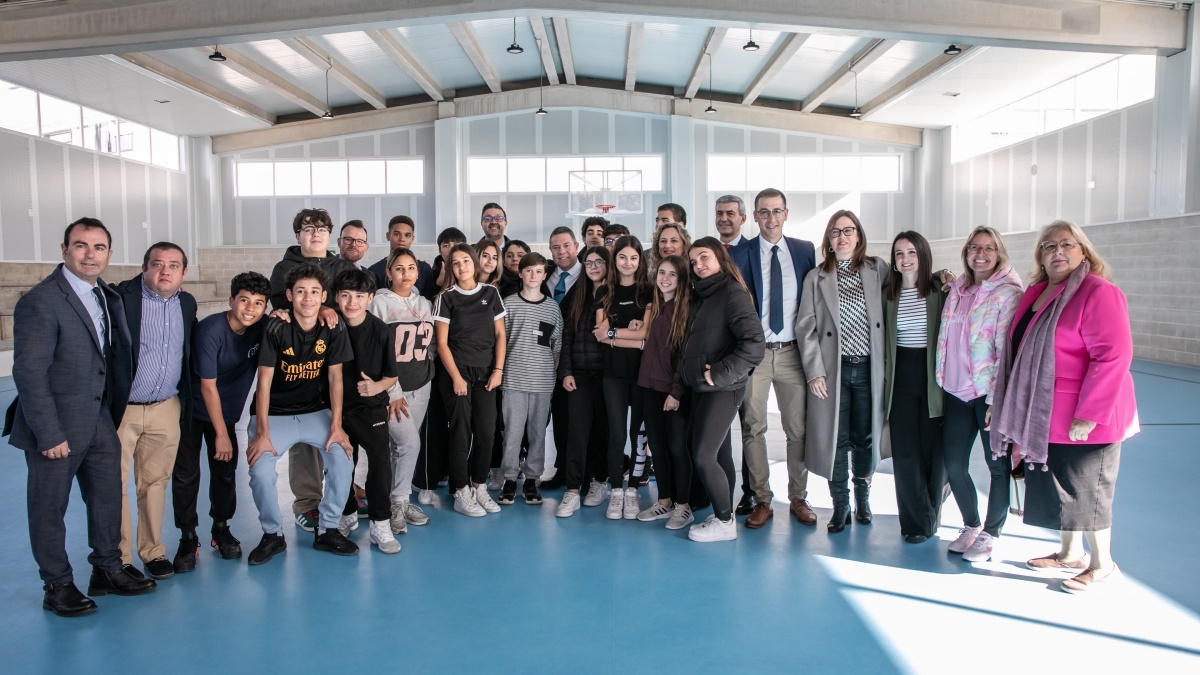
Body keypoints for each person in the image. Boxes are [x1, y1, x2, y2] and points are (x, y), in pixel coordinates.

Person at [5, 217, 154, 616]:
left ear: (109, 253)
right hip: (56, 426)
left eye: (98, 247)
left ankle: (107, 569)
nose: (90, 255)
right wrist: (49, 433)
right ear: (64, 250)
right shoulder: (41, 301)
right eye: (81, 246)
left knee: (106, 498)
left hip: (99, 419)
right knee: (48, 508)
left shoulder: (105, 294)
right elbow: (29, 373)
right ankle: (57, 584)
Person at [991, 220, 1138, 592]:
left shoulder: (1098, 292)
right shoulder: (1039, 293)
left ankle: (1103, 564)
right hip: (1047, 413)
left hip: (1088, 417)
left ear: (1083, 251)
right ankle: (1070, 553)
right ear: (1040, 255)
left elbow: (1113, 356)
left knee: (1089, 489)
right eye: (1049, 246)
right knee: (1063, 486)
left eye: (1067, 244)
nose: (1058, 251)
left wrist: (1089, 414)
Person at [245, 264, 358, 565]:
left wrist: (337, 426)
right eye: (301, 291)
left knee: (343, 458)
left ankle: (328, 529)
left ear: (324, 296)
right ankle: (272, 535)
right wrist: (262, 433)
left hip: (314, 410)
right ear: (289, 295)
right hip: (274, 415)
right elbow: (263, 382)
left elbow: (335, 378)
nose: (307, 298)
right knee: (260, 471)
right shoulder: (276, 327)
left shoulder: (333, 326)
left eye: (314, 292)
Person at [730, 187, 818, 529]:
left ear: (786, 214)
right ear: (754, 216)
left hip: (793, 353)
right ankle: (762, 499)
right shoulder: (741, 254)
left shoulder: (804, 251)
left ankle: (798, 496)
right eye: (764, 212)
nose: (770, 218)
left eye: (776, 211)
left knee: (798, 429)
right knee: (753, 428)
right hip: (756, 354)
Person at [171, 272, 271, 572]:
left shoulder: (262, 326)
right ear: (231, 301)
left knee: (225, 473)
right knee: (186, 475)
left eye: (258, 303)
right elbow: (207, 387)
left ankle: (221, 528)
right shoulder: (210, 330)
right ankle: (188, 537)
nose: (250, 308)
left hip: (226, 413)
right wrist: (222, 434)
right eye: (244, 300)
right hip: (193, 410)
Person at [796, 210, 888, 533]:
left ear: (859, 236)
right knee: (834, 439)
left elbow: (909, 284)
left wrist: (943, 275)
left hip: (868, 370)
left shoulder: (878, 269)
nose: (842, 237)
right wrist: (814, 371)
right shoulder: (816, 277)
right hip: (832, 372)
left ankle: (863, 500)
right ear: (829, 240)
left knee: (865, 438)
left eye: (848, 230)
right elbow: (805, 327)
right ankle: (840, 506)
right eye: (835, 232)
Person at [935, 226, 1023, 559]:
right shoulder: (957, 289)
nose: (980, 254)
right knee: (954, 463)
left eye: (988, 248)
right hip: (956, 392)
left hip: (987, 396)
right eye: (974, 247)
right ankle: (971, 524)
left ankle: (991, 532)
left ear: (999, 253)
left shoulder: (1008, 294)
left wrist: (995, 399)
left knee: (996, 465)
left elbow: (1005, 351)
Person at [113, 243, 198, 581]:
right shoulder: (120, 298)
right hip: (123, 410)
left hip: (165, 407)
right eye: (157, 264)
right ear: (144, 268)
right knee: (114, 484)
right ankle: (118, 559)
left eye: (173, 265)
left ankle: (152, 552)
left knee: (154, 483)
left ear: (184, 273)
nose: (165, 271)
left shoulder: (186, 303)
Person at [268, 208, 356, 533]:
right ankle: (307, 501)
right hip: (301, 364)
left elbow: (352, 303)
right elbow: (283, 306)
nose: (315, 233)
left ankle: (344, 496)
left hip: (336, 359)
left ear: (330, 235)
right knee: (305, 437)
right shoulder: (284, 268)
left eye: (321, 229)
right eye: (308, 228)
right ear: (298, 235)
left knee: (342, 428)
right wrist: (321, 309)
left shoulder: (342, 267)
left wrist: (333, 308)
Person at [680, 238, 764, 542]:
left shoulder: (732, 293)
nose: (698, 265)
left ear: (720, 258)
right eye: (693, 261)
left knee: (703, 455)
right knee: (721, 452)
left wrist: (718, 374)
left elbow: (754, 345)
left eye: (704, 257)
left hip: (723, 387)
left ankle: (725, 522)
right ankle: (722, 512)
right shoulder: (704, 294)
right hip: (702, 387)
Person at [328, 269, 403, 554]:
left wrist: (376, 387)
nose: (352, 302)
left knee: (380, 462)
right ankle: (347, 513)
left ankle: (379, 524)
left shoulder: (381, 330)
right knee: (340, 464)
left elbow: (392, 376)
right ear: (336, 297)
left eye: (359, 296)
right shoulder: (330, 325)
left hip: (370, 409)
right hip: (336, 409)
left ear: (370, 298)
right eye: (345, 295)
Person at [432, 244, 507, 517]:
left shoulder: (491, 293)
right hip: (457, 374)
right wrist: (456, 377)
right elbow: (441, 343)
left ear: (474, 263)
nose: (461, 267)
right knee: (461, 433)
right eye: (455, 263)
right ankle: (461, 491)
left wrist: (498, 370)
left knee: (487, 433)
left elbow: (500, 335)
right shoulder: (446, 298)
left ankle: (479, 486)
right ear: (450, 268)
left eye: (465, 260)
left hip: (486, 373)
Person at [883, 231, 947, 544]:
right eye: (899, 253)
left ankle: (932, 511)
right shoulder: (888, 295)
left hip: (934, 377)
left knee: (934, 452)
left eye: (911, 252)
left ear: (922, 255)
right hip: (901, 377)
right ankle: (916, 523)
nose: (905, 259)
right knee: (905, 451)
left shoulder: (939, 290)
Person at [369, 247, 434, 535]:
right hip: (393, 390)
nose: (405, 274)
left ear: (418, 273)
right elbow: (375, 352)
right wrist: (392, 391)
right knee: (409, 445)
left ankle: (398, 501)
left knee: (402, 447)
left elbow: (431, 344)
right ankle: (396, 502)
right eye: (399, 268)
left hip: (421, 385)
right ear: (388, 273)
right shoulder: (379, 304)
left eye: (410, 268)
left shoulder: (425, 304)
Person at [593, 235, 653, 520]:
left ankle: (633, 491)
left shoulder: (648, 291)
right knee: (616, 434)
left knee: (637, 435)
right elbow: (599, 334)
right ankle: (616, 490)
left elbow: (647, 334)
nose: (628, 263)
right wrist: (634, 338)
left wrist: (617, 334)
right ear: (614, 260)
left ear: (640, 261)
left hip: (642, 373)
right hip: (613, 373)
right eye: (622, 257)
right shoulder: (604, 291)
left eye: (633, 258)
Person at [634, 255, 694, 530]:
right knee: (657, 447)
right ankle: (665, 501)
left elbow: (685, 356)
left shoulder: (686, 309)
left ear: (681, 279)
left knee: (677, 448)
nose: (665, 278)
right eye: (661, 273)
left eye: (672, 274)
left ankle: (684, 506)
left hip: (673, 391)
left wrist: (676, 391)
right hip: (650, 387)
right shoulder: (656, 306)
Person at [497, 252, 563, 505]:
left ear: (545, 275)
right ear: (520, 273)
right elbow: (501, 341)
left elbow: (556, 347)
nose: (533, 275)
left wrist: (549, 374)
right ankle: (509, 479)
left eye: (538, 271)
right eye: (528, 271)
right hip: (514, 380)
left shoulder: (552, 307)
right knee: (512, 432)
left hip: (542, 382)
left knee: (537, 433)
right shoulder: (509, 304)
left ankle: (532, 480)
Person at [555, 246, 612, 517]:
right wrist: (565, 371)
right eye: (589, 263)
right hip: (579, 375)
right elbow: (567, 335)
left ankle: (599, 481)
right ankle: (572, 489)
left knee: (603, 431)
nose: (594, 267)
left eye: (599, 262)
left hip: (607, 375)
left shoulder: (614, 295)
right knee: (577, 431)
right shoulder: (577, 295)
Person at [538, 227, 582, 490]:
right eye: (556, 247)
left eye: (566, 245)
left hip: (580, 358)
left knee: (582, 418)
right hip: (549, 357)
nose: (562, 251)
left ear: (576, 246)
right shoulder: (545, 278)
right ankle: (563, 470)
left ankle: (586, 472)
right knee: (560, 417)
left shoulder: (589, 275)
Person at [368, 215, 433, 296]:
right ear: (388, 236)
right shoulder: (374, 271)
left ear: (412, 239)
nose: (402, 239)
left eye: (407, 235)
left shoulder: (425, 269)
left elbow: (431, 299)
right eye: (397, 234)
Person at [427, 227, 467, 301]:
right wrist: (439, 285)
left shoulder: (470, 270)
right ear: (440, 250)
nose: (451, 249)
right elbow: (428, 302)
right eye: (446, 245)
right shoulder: (430, 274)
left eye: (456, 244)